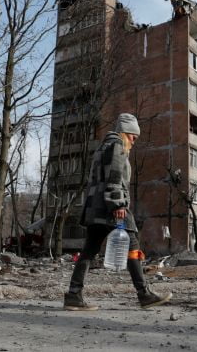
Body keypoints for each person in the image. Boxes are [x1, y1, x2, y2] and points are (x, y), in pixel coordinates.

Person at [64, 113, 172, 310]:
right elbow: (114, 177)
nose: (133, 142)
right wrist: (118, 205)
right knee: (133, 245)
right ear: (125, 132)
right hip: (111, 207)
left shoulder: (102, 147)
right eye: (133, 137)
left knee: (89, 251)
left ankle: (73, 295)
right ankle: (144, 294)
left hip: (95, 207)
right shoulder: (117, 145)